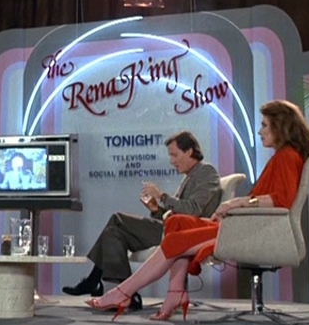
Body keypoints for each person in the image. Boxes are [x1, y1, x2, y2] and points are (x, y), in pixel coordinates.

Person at [85, 100, 309, 321]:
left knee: (169, 236)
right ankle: (175, 293)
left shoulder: (287, 157)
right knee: (175, 223)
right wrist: (158, 209)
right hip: (239, 223)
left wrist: (234, 203)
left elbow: (282, 201)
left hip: (249, 229)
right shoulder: (281, 156)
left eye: (265, 125)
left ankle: (122, 292)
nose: (260, 131)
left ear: (280, 126)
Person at [62, 131, 223, 311]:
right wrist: (155, 209)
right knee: (112, 233)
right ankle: (124, 294)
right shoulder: (189, 177)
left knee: (117, 219)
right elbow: (174, 215)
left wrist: (161, 196)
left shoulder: (206, 172)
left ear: (190, 151)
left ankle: (98, 282)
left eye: (174, 155)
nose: (171, 161)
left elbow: (194, 210)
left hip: (186, 234)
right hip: (172, 229)